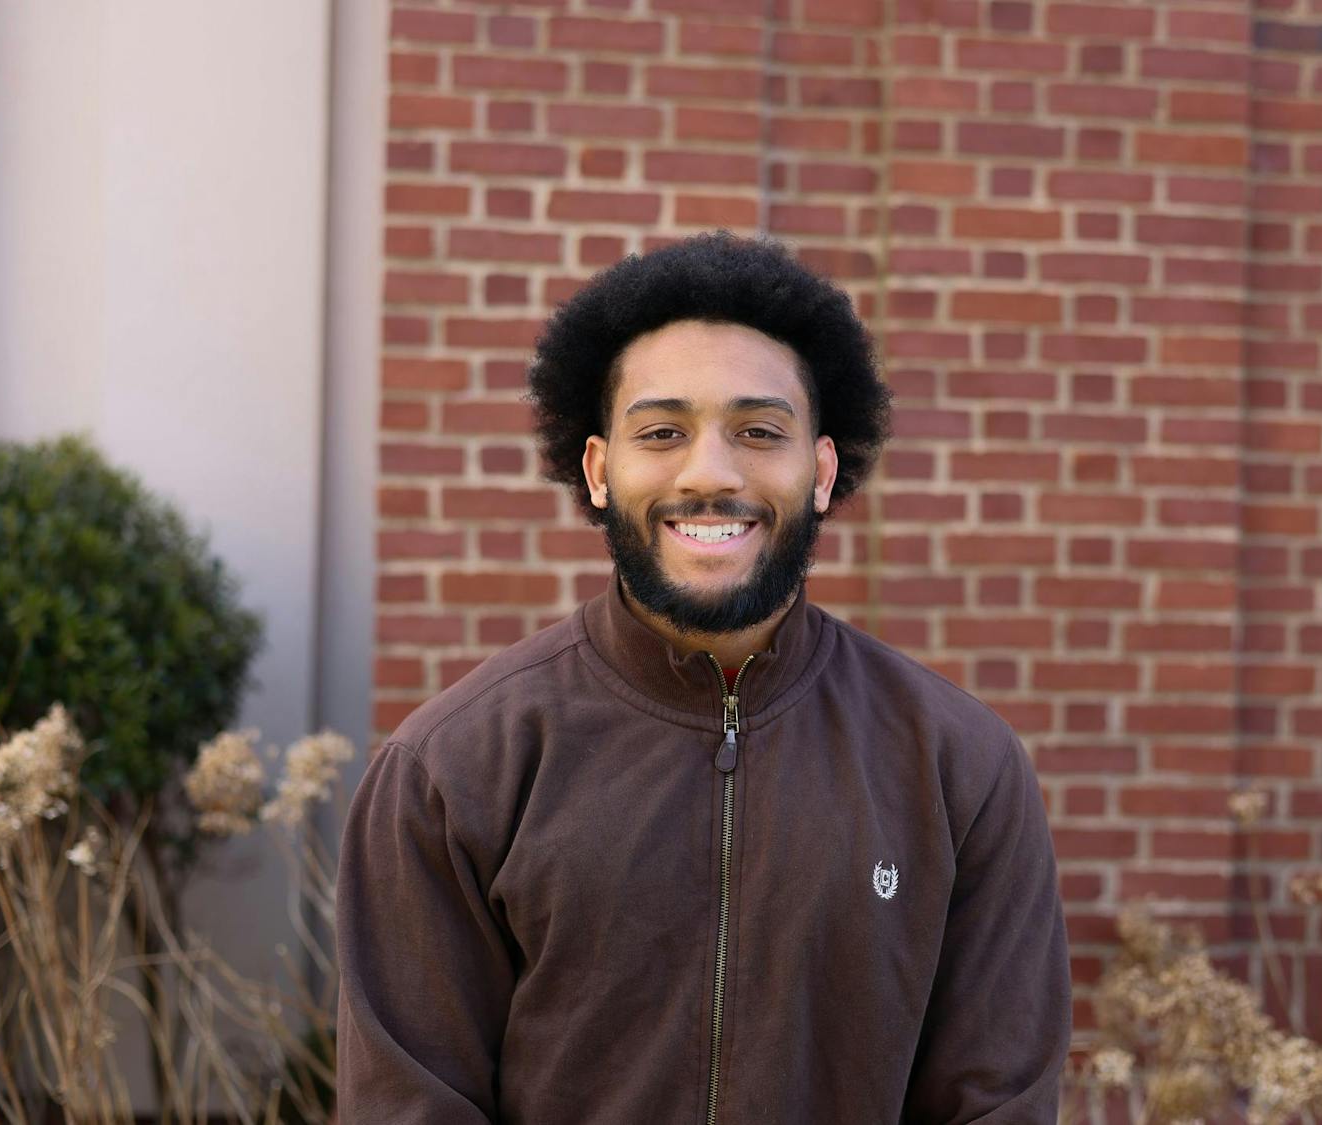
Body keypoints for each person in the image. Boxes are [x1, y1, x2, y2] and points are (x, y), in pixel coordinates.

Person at [336, 232, 1071, 1123]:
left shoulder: (960, 767)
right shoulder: (452, 770)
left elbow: (995, 1104)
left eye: (759, 431)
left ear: (823, 470)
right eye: (663, 432)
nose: (710, 472)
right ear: (601, 469)